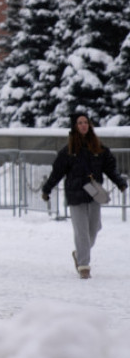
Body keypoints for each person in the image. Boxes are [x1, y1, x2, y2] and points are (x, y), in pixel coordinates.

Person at [41, 112, 128, 279]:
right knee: (81, 232)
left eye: (85, 122)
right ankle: (84, 265)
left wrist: (120, 182)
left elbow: (110, 168)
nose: (83, 125)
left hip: (94, 193)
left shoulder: (99, 148)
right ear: (75, 126)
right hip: (75, 194)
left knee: (94, 229)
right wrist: (47, 189)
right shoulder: (68, 151)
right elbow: (57, 173)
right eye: (80, 123)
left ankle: (79, 252)